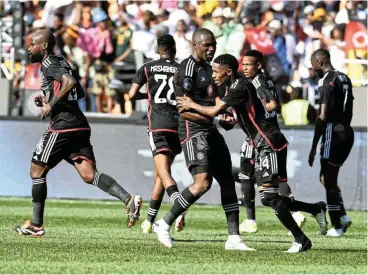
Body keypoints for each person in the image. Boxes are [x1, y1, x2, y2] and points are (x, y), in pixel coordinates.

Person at [177, 53, 328, 253]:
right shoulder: (235, 86)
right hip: (263, 143)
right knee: (269, 196)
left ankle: (302, 240)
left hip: (268, 142)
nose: (212, 74)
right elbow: (237, 113)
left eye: (216, 71)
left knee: (270, 197)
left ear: (228, 72)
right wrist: (230, 118)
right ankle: (314, 209)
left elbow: (213, 111)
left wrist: (191, 104)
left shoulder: (239, 86)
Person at [13, 30, 142, 237]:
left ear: (43, 46)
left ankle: (36, 225)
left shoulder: (49, 64)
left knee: (36, 171)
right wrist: (49, 100)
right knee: (89, 175)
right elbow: (78, 92)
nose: (29, 48)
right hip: (79, 124)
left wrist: (51, 105)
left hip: (63, 125)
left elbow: (71, 84)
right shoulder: (62, 61)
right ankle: (129, 199)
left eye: (32, 44)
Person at [153, 28, 254, 251]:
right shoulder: (185, 70)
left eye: (213, 45)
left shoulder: (210, 69)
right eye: (207, 45)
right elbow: (183, 109)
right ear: (194, 45)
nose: (211, 49)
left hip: (210, 128)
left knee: (227, 180)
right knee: (202, 184)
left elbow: (214, 98)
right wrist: (216, 114)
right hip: (192, 130)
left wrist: (224, 115)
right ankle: (164, 223)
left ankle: (234, 238)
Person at [237, 50, 312, 235]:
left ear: (259, 65)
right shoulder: (267, 80)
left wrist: (258, 109)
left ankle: (250, 220)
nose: (245, 68)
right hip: (269, 132)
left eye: (249, 64)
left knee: (246, 174)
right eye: (243, 64)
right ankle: (295, 212)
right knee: (276, 178)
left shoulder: (257, 82)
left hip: (260, 134)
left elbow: (273, 104)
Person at [128, 34, 185, 234]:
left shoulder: (147, 67)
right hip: (177, 126)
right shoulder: (181, 69)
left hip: (158, 124)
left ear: (157, 49)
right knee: (160, 174)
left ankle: (179, 206)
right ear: (174, 49)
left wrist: (149, 95)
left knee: (163, 173)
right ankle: (149, 221)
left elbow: (132, 94)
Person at [308, 48, 354, 237]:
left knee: (329, 178)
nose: (313, 70)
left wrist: (313, 146)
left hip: (332, 133)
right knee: (326, 178)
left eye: (313, 66)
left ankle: (337, 227)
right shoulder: (344, 77)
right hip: (347, 132)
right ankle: (342, 216)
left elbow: (323, 115)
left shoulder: (326, 81)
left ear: (319, 62)